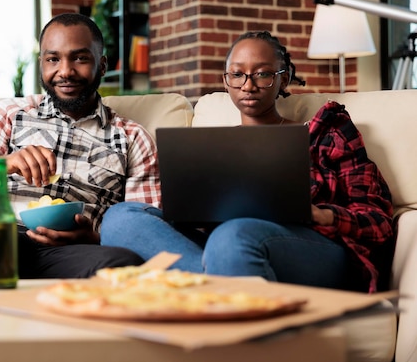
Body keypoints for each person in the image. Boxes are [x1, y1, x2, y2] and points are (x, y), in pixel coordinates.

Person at [0, 13, 161, 362]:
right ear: (41, 63)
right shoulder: (9, 115)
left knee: (122, 261)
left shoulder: (131, 137)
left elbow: (148, 224)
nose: (64, 71)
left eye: (79, 58)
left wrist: (94, 237)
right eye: (53, 59)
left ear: (103, 64)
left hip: (73, 253)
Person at [100, 30, 395, 295]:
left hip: (311, 249)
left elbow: (380, 222)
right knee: (121, 219)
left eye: (263, 74)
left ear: (283, 78)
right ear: (226, 80)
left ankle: (206, 288)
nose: (248, 85)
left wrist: (323, 215)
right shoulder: (210, 150)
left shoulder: (327, 131)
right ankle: (220, 284)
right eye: (237, 74)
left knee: (234, 235)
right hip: (222, 245)